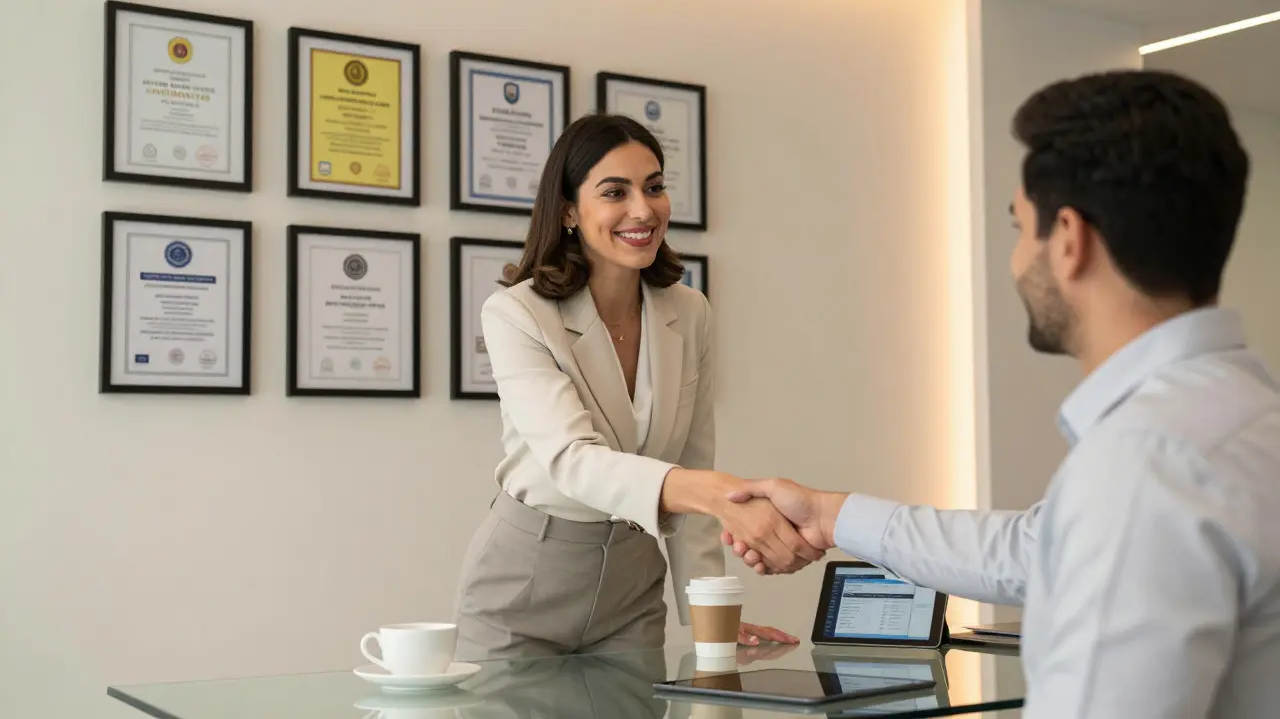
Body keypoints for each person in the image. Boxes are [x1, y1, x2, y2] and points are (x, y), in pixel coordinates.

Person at [724, 69, 1279, 718]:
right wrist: (830, 514)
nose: (1017, 260)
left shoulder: (1145, 464)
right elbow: (1027, 548)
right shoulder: (1239, 417)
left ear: (1069, 240)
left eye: (1020, 228)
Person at [452, 113, 821, 662]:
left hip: (633, 593)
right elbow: (573, 460)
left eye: (654, 187)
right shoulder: (516, 312)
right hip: (525, 585)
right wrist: (721, 494)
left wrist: (709, 618)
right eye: (614, 192)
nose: (643, 210)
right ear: (570, 210)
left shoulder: (689, 312)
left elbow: (694, 460)